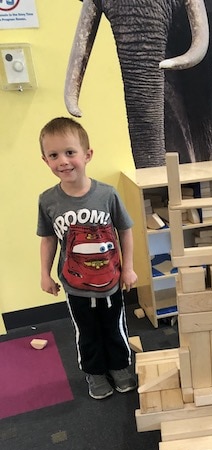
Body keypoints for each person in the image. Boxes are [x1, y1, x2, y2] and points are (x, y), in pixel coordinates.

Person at [37, 117, 138, 400]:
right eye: (54, 155)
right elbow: (47, 239)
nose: (64, 161)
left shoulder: (107, 194)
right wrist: (45, 274)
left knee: (115, 327)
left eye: (70, 152)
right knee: (86, 332)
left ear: (87, 155)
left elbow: (125, 230)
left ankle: (119, 367)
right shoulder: (48, 201)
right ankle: (94, 373)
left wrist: (128, 268)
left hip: (111, 282)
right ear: (45, 160)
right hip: (75, 287)